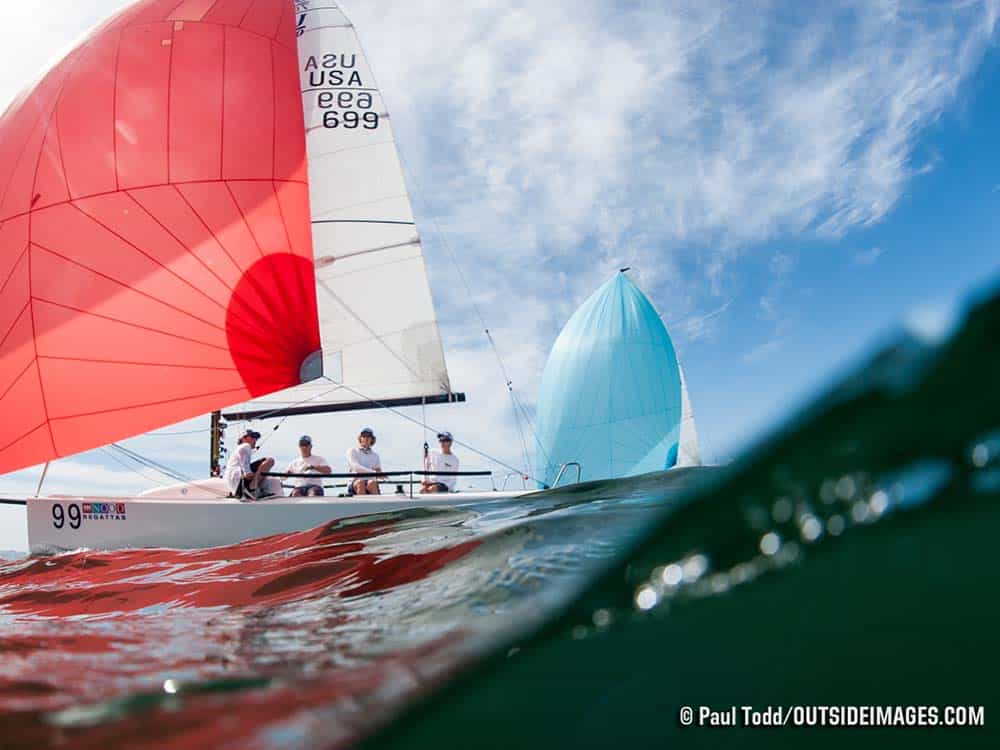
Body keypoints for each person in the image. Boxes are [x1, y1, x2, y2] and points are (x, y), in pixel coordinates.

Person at [224, 430, 275, 499]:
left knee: (263, 464)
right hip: (240, 483)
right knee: (270, 460)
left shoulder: (238, 449)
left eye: (256, 438)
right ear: (243, 439)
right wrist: (247, 472)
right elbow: (245, 463)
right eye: (252, 437)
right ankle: (252, 490)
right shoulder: (246, 446)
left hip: (235, 487)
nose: (255, 439)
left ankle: (254, 489)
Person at [346, 427, 382, 495]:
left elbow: (378, 471)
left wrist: (381, 474)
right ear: (360, 438)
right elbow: (356, 467)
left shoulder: (375, 455)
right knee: (361, 482)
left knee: (372, 483)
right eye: (364, 436)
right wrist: (374, 472)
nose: (366, 438)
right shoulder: (352, 451)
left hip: (371, 482)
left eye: (369, 436)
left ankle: (376, 504)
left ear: (372, 439)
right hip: (355, 482)